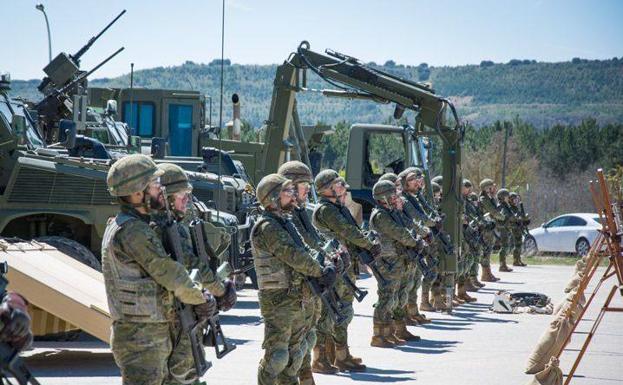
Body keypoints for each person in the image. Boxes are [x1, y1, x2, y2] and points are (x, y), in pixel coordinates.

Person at [102, 154, 215, 385]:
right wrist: (200, 297)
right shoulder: (133, 231)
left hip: (148, 333)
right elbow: (168, 272)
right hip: (140, 338)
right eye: (154, 186)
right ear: (137, 192)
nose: (160, 191)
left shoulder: (137, 226)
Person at [155, 163, 237, 385]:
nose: (187, 200)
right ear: (166, 197)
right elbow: (192, 266)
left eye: (188, 195)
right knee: (181, 373)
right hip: (174, 311)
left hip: (182, 306)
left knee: (188, 372)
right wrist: (220, 290)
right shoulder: (164, 226)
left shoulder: (172, 223)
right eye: (182, 196)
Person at [252, 173, 334, 385]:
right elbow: (293, 256)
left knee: (296, 354)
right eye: (287, 192)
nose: (293, 196)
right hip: (278, 301)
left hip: (297, 297)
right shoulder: (268, 227)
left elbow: (305, 250)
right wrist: (320, 271)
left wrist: (326, 264)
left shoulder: (285, 222)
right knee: (277, 356)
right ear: (273, 198)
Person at [277, 161, 341, 384]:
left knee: (307, 335)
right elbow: (299, 251)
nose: (307, 190)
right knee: (288, 346)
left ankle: (305, 374)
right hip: (290, 290)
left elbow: (314, 241)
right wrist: (321, 266)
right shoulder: (285, 217)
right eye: (304, 185)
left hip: (307, 287)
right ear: (292, 187)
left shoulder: (300, 213)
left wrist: (331, 255)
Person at [312, 169, 377, 372]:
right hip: (336, 267)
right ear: (326, 189)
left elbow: (354, 231)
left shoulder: (339, 207)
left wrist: (367, 241)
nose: (343, 186)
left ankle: (340, 355)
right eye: (338, 183)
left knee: (344, 311)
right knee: (330, 312)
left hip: (346, 266)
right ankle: (320, 358)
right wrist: (368, 243)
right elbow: (348, 232)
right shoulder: (327, 210)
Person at [369, 180, 422, 347]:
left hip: (396, 259)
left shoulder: (391, 212)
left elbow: (407, 227)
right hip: (387, 260)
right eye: (392, 196)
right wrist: (414, 241)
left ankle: (391, 331)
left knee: (395, 297)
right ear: (382, 197)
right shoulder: (381, 215)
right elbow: (399, 233)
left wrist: (400, 212)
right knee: (386, 297)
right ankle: (379, 335)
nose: (396, 198)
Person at [396, 167, 433, 324]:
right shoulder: (404, 200)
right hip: (408, 245)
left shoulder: (415, 197)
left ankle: (412, 311)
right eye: (412, 180)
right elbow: (416, 219)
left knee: (415, 280)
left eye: (418, 179)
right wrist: (429, 226)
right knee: (406, 284)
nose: (418, 182)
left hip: (416, 244)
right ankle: (405, 315)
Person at [478, 179, 503, 281]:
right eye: (492, 187)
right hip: (485, 228)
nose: (494, 188)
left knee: (489, 250)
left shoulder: (489, 198)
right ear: (487, 188)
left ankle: (488, 273)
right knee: (486, 250)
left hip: (490, 227)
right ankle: (485, 274)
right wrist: (502, 217)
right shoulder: (484, 199)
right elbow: (494, 211)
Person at [496, 188, 514, 272]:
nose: (508, 198)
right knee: (504, 247)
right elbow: (502, 217)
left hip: (506, 228)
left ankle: (503, 264)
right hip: (503, 229)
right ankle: (502, 265)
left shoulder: (505, 206)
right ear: (502, 197)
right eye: (507, 196)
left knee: (506, 246)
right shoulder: (502, 206)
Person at [509, 192, 529, 267]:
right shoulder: (510, 209)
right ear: (510, 200)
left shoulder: (516, 208)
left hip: (518, 228)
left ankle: (518, 259)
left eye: (517, 200)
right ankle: (515, 260)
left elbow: (521, 216)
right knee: (517, 244)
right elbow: (514, 218)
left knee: (519, 244)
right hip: (514, 228)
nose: (516, 201)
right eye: (514, 200)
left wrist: (525, 220)